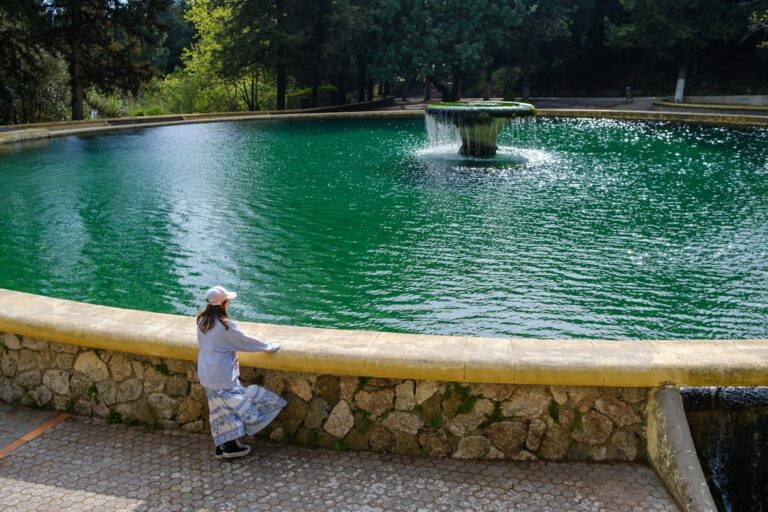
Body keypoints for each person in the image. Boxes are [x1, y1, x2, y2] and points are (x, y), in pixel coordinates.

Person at [196, 285, 287, 459]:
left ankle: (224, 445)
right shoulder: (226, 326)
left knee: (219, 410)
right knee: (243, 405)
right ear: (223, 304)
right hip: (222, 375)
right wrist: (270, 346)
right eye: (227, 301)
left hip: (206, 374)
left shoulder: (201, 321)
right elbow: (246, 342)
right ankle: (230, 446)